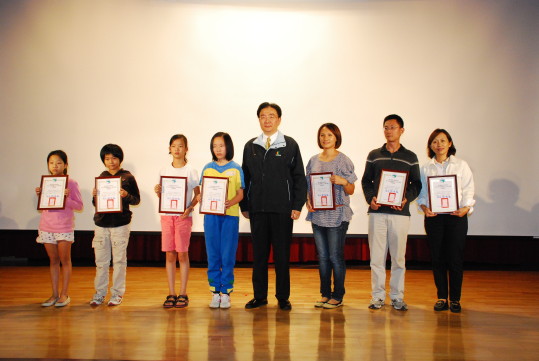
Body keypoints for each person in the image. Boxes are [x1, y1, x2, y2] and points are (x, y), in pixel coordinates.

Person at [240, 102, 307, 311]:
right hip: (258, 210)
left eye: (271, 116)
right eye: (263, 116)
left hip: (282, 210)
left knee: (282, 256)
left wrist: (297, 205)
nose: (267, 120)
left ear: (279, 119)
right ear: (258, 119)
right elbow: (245, 178)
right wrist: (245, 204)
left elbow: (299, 178)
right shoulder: (251, 146)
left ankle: (283, 297)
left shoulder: (290, 144)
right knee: (259, 256)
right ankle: (259, 296)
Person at [361, 114, 421, 311]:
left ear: (401, 130)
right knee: (377, 258)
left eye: (393, 127)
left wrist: (406, 199)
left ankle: (397, 296)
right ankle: (377, 296)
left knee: (398, 258)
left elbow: (417, 184)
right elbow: (365, 181)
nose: (389, 131)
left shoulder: (410, 157)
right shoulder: (374, 154)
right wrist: (371, 199)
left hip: (399, 214)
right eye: (386, 127)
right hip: (377, 213)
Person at [417, 129, 475, 313]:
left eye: (442, 141)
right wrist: (425, 207)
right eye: (435, 141)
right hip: (434, 219)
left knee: (455, 258)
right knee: (438, 258)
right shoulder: (426, 168)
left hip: (456, 217)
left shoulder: (461, 165)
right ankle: (442, 297)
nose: (439, 144)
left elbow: (468, 189)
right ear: (430, 146)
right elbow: (422, 194)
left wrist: (466, 208)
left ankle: (455, 299)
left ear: (450, 143)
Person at [305, 123, 357, 309]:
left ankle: (338, 295)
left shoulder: (343, 160)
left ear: (336, 137)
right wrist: (308, 201)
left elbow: (350, 189)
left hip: (337, 215)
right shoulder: (313, 160)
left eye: (329, 135)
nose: (325, 138)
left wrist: (343, 181)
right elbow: (308, 187)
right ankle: (325, 294)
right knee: (323, 257)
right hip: (318, 216)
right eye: (322, 135)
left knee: (335, 256)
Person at [90, 144, 140, 306]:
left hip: (120, 224)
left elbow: (136, 199)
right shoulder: (102, 176)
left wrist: (126, 195)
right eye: (107, 158)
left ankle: (117, 294)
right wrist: (95, 196)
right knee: (101, 262)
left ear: (120, 159)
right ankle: (100, 293)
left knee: (119, 261)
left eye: (114, 158)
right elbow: (95, 203)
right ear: (103, 160)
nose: (111, 162)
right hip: (101, 224)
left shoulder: (128, 177)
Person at [154, 134, 200, 308]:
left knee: (182, 253)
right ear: (169, 149)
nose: (177, 149)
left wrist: (190, 208)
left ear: (186, 149)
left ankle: (183, 292)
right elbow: (163, 195)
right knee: (170, 254)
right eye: (174, 146)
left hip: (183, 217)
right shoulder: (163, 171)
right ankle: (171, 293)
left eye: (180, 146)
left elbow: (197, 195)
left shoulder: (191, 171)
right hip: (167, 216)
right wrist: (158, 191)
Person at [199, 132, 244, 309]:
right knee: (213, 254)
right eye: (215, 145)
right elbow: (203, 193)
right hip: (211, 217)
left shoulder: (236, 168)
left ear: (228, 147)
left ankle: (226, 293)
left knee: (227, 254)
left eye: (222, 145)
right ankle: (214, 292)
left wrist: (230, 202)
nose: (218, 149)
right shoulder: (207, 168)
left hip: (230, 217)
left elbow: (240, 194)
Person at [35, 150, 83, 307]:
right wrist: (40, 196)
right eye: (51, 163)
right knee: (53, 261)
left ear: (66, 165)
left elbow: (79, 205)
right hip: (46, 226)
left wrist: (66, 198)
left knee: (65, 261)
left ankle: (64, 294)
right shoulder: (47, 182)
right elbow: (46, 206)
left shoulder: (71, 183)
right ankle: (54, 294)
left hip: (63, 227)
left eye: (59, 162)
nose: (55, 166)